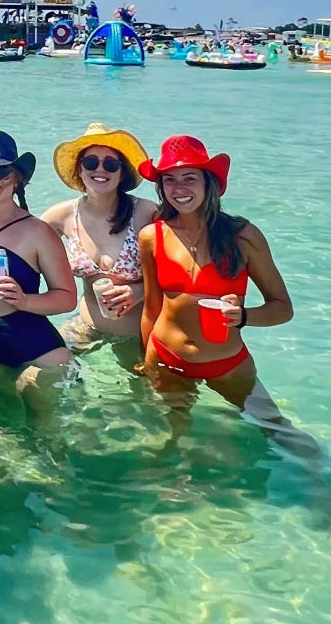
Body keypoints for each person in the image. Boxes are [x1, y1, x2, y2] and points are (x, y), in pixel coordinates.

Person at [137, 136, 315, 457]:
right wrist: (146, 363)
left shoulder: (243, 236)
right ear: (161, 187)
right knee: (169, 441)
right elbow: (152, 308)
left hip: (228, 365)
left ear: (211, 184)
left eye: (189, 178)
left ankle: (319, 485)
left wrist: (244, 317)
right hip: (166, 360)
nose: (179, 188)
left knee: (280, 432)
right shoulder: (152, 236)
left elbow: (282, 308)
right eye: (169, 180)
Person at [0, 131, 77, 411]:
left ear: (17, 178)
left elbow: (68, 298)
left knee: (42, 430)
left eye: (2, 171)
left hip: (34, 347)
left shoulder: (38, 232)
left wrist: (25, 300)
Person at [41, 123, 155, 369]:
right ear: (79, 170)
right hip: (86, 327)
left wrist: (139, 292)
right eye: (91, 163)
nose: (100, 169)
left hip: (140, 336)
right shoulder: (62, 216)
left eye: (111, 164)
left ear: (122, 173)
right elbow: (21, 246)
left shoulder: (145, 213)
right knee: (36, 374)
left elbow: (182, 271)